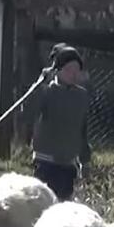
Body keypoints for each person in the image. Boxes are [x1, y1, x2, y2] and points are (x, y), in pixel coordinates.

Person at [28, 45, 91, 201]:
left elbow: (82, 130)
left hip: (68, 164)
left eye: (77, 70)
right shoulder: (46, 92)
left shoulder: (81, 96)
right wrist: (39, 84)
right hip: (45, 162)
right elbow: (29, 110)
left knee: (63, 202)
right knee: (43, 203)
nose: (73, 74)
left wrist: (85, 159)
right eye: (69, 69)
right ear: (57, 70)